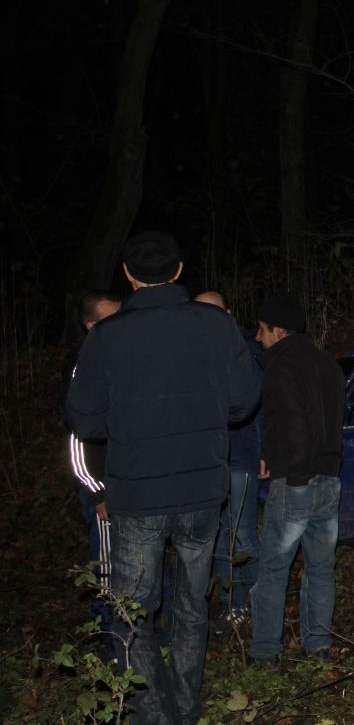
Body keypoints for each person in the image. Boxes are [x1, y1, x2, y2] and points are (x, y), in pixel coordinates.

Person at [66, 231, 261, 724]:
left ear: (128, 275)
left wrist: (130, 421)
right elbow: (244, 403)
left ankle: (155, 714)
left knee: (134, 611)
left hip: (138, 494)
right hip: (202, 491)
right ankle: (186, 708)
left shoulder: (106, 337)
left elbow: (84, 419)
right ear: (178, 271)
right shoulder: (217, 325)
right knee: (192, 605)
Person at [248, 294, 344, 665]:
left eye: (262, 329)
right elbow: (329, 421)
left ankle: (265, 652)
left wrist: (291, 471)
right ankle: (317, 646)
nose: (258, 337)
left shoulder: (281, 366)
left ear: (279, 331)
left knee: (274, 567)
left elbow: (292, 423)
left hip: (297, 482)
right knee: (321, 566)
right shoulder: (327, 363)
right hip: (329, 478)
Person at [194, 290, 263, 631]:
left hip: (241, 456)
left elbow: (262, 405)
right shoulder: (192, 353)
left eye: (214, 312)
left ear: (229, 313)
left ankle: (259, 604)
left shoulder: (246, 351)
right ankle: (231, 604)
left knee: (241, 533)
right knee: (218, 537)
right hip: (207, 461)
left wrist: (264, 451)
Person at [63, 289, 121, 657]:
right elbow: (77, 440)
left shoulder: (123, 359)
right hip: (103, 491)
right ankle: (108, 642)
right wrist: (97, 491)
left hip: (131, 482)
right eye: (111, 319)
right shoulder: (81, 369)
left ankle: (140, 637)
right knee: (108, 568)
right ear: (90, 326)